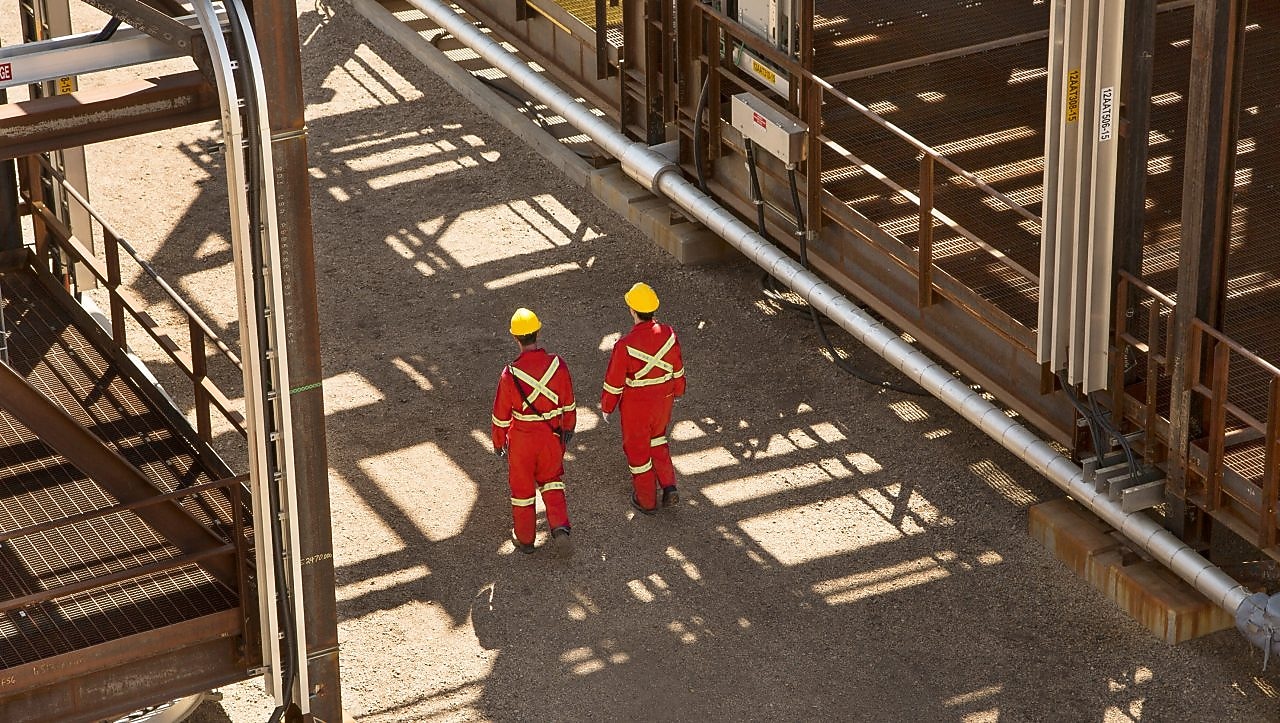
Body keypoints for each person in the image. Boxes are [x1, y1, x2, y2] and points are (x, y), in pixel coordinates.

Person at [491, 308, 575, 557]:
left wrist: (498, 442)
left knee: (522, 489)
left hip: (522, 440)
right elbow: (568, 402)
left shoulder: (510, 374)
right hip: (550, 437)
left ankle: (526, 538)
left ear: (515, 338)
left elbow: (501, 415)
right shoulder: (557, 365)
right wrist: (568, 427)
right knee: (552, 481)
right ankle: (560, 528)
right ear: (538, 332)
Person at [600, 282, 686, 515]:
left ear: (632, 310)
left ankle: (647, 499)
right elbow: (677, 369)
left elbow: (614, 382)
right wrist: (678, 391)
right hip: (663, 400)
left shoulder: (625, 345)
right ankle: (669, 486)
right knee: (658, 439)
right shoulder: (669, 334)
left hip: (637, 406)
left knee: (638, 451)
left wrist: (607, 407)